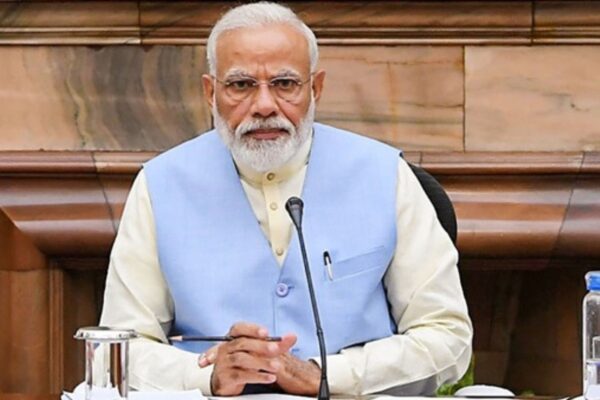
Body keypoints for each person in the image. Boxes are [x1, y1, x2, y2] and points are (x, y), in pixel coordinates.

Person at [99, 1, 472, 396]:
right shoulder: (160, 185)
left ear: (316, 88)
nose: (264, 106)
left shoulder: (386, 175)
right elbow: (118, 349)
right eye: (241, 85)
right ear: (211, 93)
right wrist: (205, 375)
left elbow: (447, 336)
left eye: (284, 84)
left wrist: (329, 374)